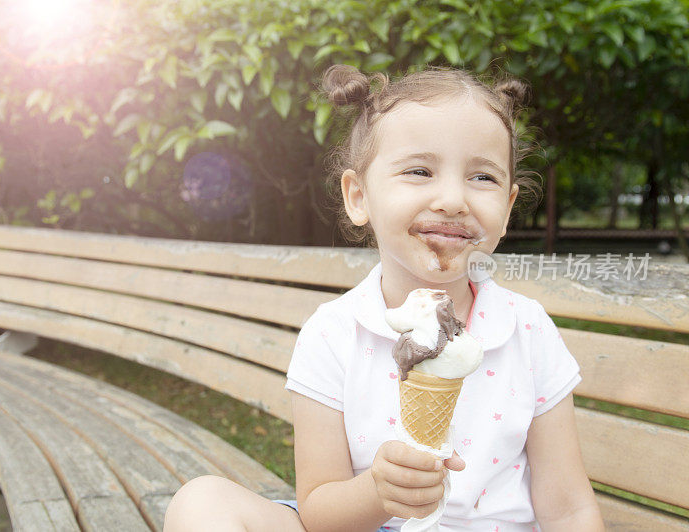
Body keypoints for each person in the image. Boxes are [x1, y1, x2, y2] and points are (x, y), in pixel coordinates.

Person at [163, 64, 604, 532]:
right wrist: (378, 492)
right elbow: (318, 510)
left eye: (483, 178)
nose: (454, 199)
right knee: (202, 503)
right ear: (359, 197)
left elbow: (569, 509)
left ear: (508, 207)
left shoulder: (526, 330)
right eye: (419, 170)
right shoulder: (333, 333)